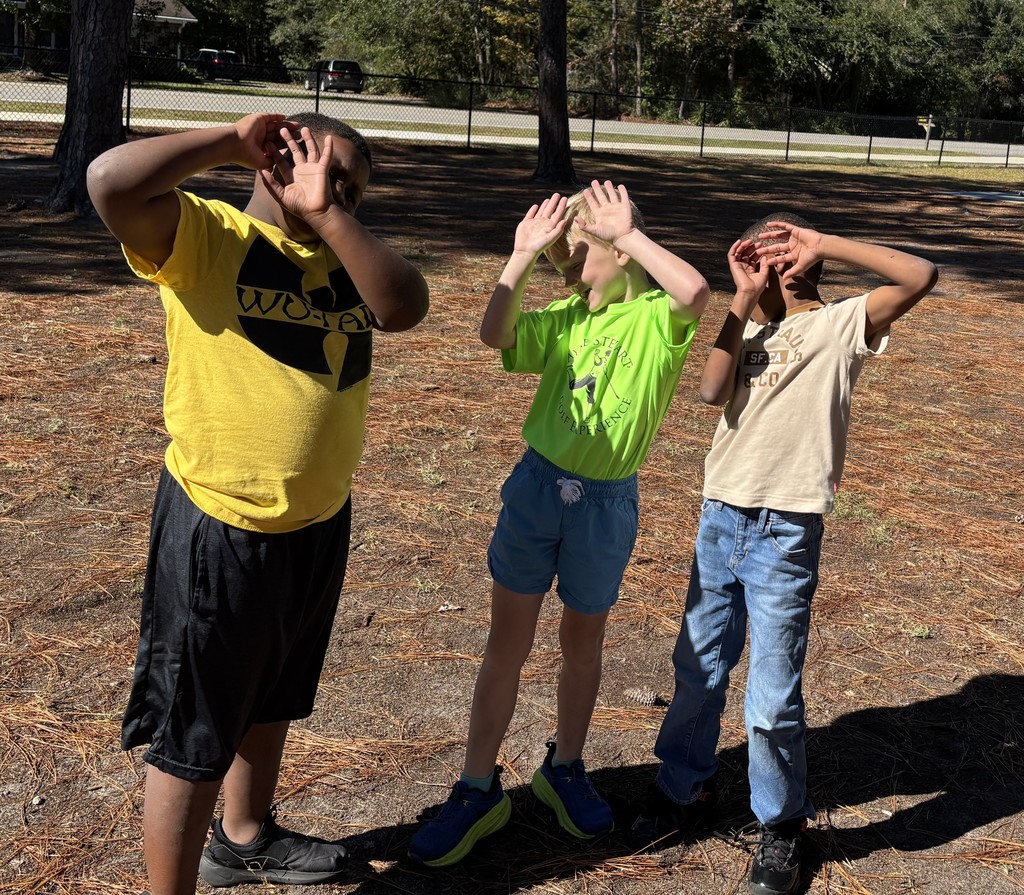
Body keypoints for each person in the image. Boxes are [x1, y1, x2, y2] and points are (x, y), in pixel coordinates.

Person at [86, 112, 429, 894]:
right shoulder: (205, 237)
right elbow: (108, 180)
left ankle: (242, 836)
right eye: (321, 166)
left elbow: (406, 304)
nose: (332, 188)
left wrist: (332, 214)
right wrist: (226, 142)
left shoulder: (344, 250)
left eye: (351, 186)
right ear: (273, 158)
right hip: (223, 523)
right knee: (195, 727)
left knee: (273, 687)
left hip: (316, 520)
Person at [632, 213, 938, 895]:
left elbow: (921, 275)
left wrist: (825, 242)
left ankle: (780, 828)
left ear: (802, 263)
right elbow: (712, 389)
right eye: (755, 253)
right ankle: (684, 788)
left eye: (779, 254)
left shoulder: (840, 326)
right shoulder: (749, 327)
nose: (766, 263)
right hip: (721, 516)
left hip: (785, 531)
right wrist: (739, 298)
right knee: (698, 667)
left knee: (771, 696)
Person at [408, 181, 710, 867]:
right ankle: (477, 787)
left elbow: (695, 293)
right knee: (505, 645)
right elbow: (495, 332)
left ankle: (564, 767)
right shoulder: (563, 320)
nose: (563, 266)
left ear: (621, 250)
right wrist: (519, 258)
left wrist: (627, 233)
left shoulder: (657, 319)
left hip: (605, 504)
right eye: (555, 259)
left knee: (583, 642)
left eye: (575, 252)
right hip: (537, 489)